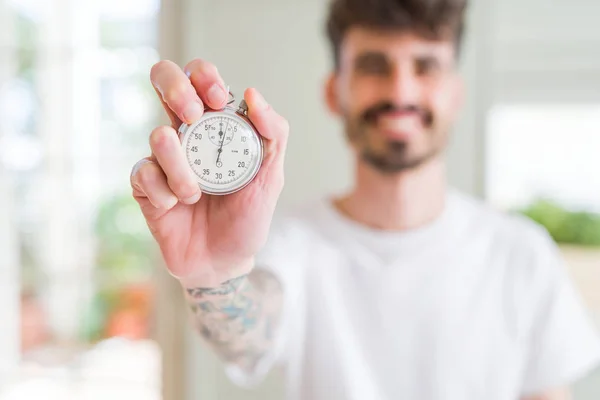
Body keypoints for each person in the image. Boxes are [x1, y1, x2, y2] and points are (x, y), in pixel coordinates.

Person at [130, 0, 600, 398]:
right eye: (375, 66)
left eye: (426, 66)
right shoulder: (291, 245)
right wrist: (214, 277)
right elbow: (248, 340)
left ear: (456, 94)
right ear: (335, 93)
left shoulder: (522, 254)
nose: (401, 91)